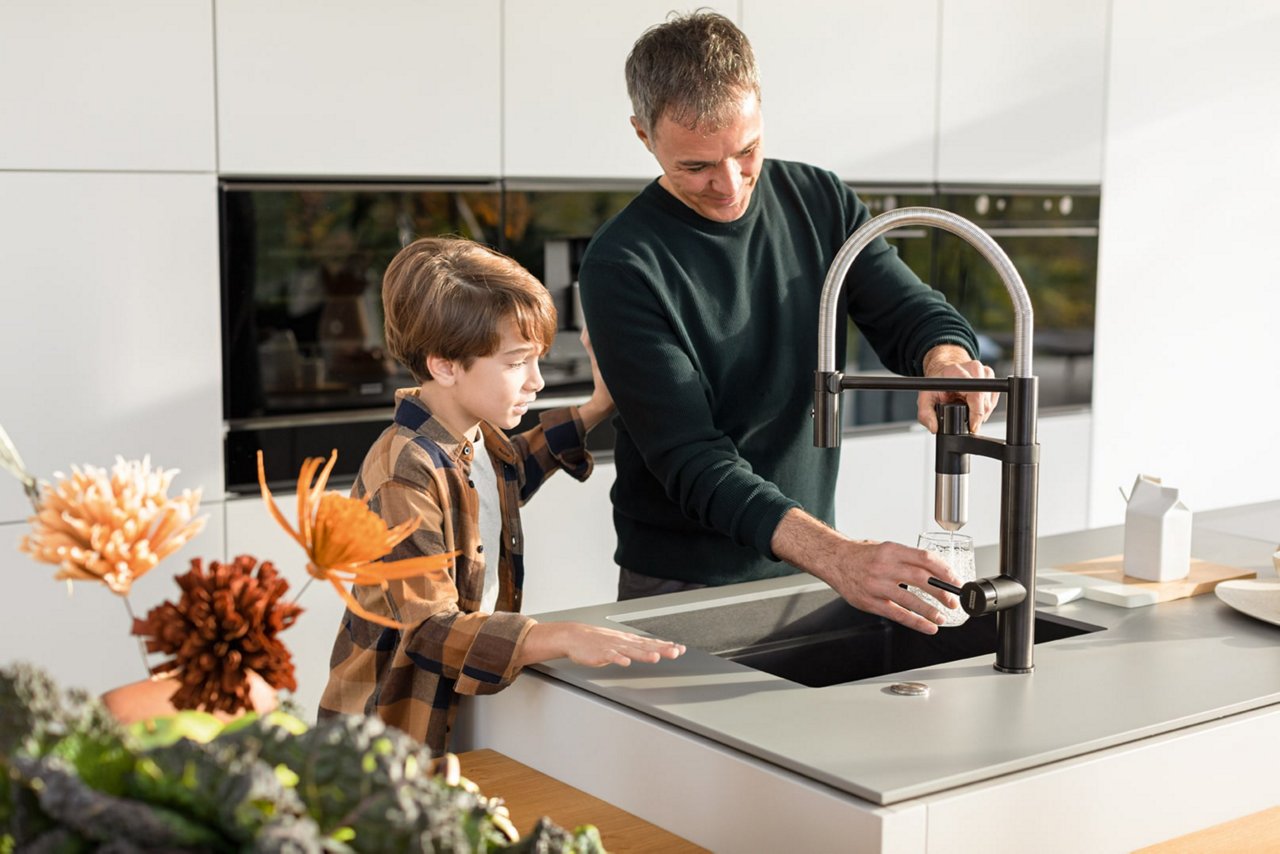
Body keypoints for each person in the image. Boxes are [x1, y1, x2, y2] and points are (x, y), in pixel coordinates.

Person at [577, 11, 1000, 634]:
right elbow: (693, 459)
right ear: (644, 136)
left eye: (746, 151)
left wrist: (942, 359)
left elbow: (910, 311)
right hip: (683, 583)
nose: (729, 185)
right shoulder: (622, 264)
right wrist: (839, 556)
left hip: (809, 567)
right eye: (696, 166)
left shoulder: (819, 201)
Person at [318, 236, 684, 755]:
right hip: (382, 731)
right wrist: (558, 636)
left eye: (537, 360)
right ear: (444, 364)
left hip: (445, 706)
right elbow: (428, 630)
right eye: (517, 363)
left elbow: (503, 480)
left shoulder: (475, 432)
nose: (536, 381)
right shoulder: (404, 473)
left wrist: (598, 406)